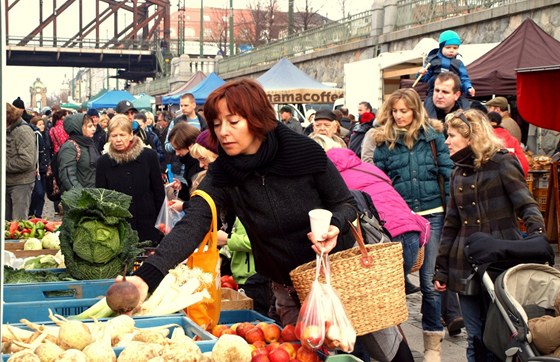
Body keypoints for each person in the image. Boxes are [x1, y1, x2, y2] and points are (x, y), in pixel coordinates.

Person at [122, 78, 414, 362]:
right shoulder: (224, 173)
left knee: (386, 351)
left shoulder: (303, 152)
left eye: (233, 122)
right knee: (307, 355)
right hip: (287, 287)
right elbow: (195, 222)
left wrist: (335, 226)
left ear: (256, 119)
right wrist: (146, 278)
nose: (223, 132)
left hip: (341, 276)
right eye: (217, 124)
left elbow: (345, 203)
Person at [434, 109, 545, 362]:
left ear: (471, 136)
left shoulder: (502, 162)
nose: (446, 141)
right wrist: (441, 268)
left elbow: (525, 204)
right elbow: (451, 224)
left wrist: (537, 236)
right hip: (466, 262)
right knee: (475, 338)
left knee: (501, 335)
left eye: (451, 135)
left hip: (500, 260)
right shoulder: (457, 172)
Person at [371, 88, 454, 361]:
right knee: (395, 280)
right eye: (395, 111)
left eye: (404, 111)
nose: (399, 116)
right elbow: (379, 181)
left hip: (433, 213)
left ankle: (432, 344)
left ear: (415, 111)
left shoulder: (433, 137)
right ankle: (394, 339)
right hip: (401, 220)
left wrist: (454, 209)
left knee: (429, 282)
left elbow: (448, 172)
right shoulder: (384, 141)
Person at [311, 133, 430, 292]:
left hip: (382, 241)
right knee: (390, 298)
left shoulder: (329, 178)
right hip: (411, 235)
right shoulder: (366, 167)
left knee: (375, 301)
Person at [96, 114, 165, 245]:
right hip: (118, 227)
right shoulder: (103, 162)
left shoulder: (149, 156)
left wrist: (161, 222)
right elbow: (101, 198)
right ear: (109, 137)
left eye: (122, 135)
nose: (118, 140)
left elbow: (158, 192)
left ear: (131, 135)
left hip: (148, 224)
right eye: (114, 135)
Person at [418, 30, 475, 118]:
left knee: (465, 107)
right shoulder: (433, 60)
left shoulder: (459, 63)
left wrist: (468, 87)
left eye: (455, 48)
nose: (452, 50)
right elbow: (424, 78)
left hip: (454, 91)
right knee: (429, 106)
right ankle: (432, 124)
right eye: (448, 47)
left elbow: (464, 78)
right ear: (441, 47)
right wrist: (421, 74)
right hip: (432, 91)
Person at [6, 103, 37, 221]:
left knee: (18, 222)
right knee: (6, 223)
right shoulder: (9, 129)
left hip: (21, 183)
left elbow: (26, 161)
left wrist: (4, 165)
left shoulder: (23, 130)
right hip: (9, 181)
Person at [58, 113, 100, 193]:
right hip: (79, 200)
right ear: (78, 128)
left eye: (93, 126)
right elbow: (68, 177)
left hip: (94, 195)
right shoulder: (70, 147)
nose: (94, 129)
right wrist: (82, 196)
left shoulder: (89, 143)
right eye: (89, 126)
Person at [166, 122, 202, 200]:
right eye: (175, 149)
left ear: (191, 145)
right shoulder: (189, 161)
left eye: (179, 149)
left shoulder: (200, 164)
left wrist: (183, 205)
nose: (177, 153)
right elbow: (191, 193)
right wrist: (181, 187)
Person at [487, 111, 529, 175]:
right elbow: (523, 163)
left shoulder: (485, 140)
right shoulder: (513, 139)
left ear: (491, 122)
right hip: (511, 177)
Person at [28, 116, 51, 218]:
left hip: (44, 168)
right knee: (38, 192)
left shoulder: (45, 135)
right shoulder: (34, 136)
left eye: (42, 124)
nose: (42, 126)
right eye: (39, 124)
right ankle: (31, 211)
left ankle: (38, 215)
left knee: (42, 195)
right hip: (36, 169)